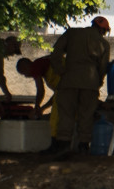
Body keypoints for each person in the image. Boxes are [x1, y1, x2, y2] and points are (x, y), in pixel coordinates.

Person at [46, 16, 110, 158]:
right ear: (103, 30)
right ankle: (83, 147)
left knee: (66, 114)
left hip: (69, 79)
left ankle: (63, 146)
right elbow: (103, 67)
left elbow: (56, 52)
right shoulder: (104, 44)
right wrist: (97, 82)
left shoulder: (72, 33)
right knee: (86, 115)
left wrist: (59, 70)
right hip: (90, 83)